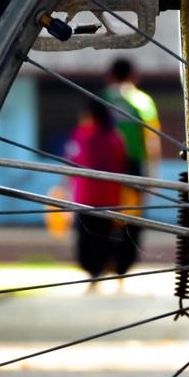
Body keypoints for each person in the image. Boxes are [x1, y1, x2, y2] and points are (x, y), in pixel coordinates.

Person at [100, 58, 162, 277]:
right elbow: (151, 139)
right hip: (133, 167)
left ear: (110, 75)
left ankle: (100, 268)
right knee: (131, 219)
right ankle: (123, 270)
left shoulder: (101, 99)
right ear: (134, 76)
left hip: (104, 168)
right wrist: (153, 173)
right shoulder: (142, 101)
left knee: (102, 216)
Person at [65, 99, 129, 288]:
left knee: (93, 239)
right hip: (100, 198)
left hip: (92, 198)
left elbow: (71, 165)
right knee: (97, 238)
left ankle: (97, 273)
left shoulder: (87, 136)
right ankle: (98, 273)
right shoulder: (114, 138)